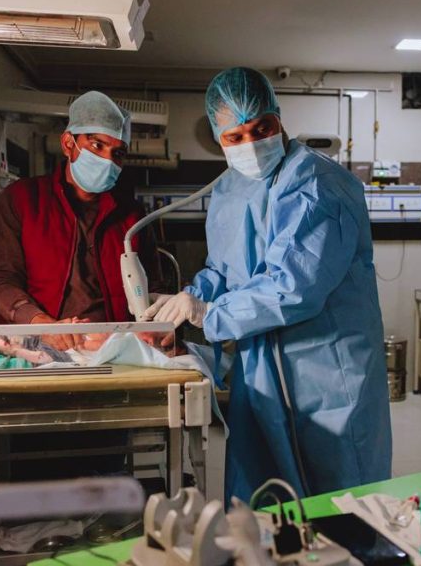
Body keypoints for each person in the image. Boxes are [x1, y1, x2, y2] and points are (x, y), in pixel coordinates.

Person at [143, 67, 392, 501]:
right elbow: (224, 270)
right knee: (263, 502)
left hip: (325, 375)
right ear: (218, 138)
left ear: (279, 118)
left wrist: (207, 314)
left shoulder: (319, 184)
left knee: (337, 505)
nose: (251, 145)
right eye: (235, 137)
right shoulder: (229, 190)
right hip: (260, 371)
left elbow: (293, 287)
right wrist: (190, 298)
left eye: (262, 129)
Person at [0, 90, 159, 350]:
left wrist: (154, 326)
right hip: (33, 344)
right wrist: (42, 325)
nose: (107, 160)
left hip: (108, 348)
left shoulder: (131, 216)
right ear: (68, 144)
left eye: (118, 153)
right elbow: (1, 282)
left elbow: (151, 287)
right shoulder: (22, 200)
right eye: (97, 145)